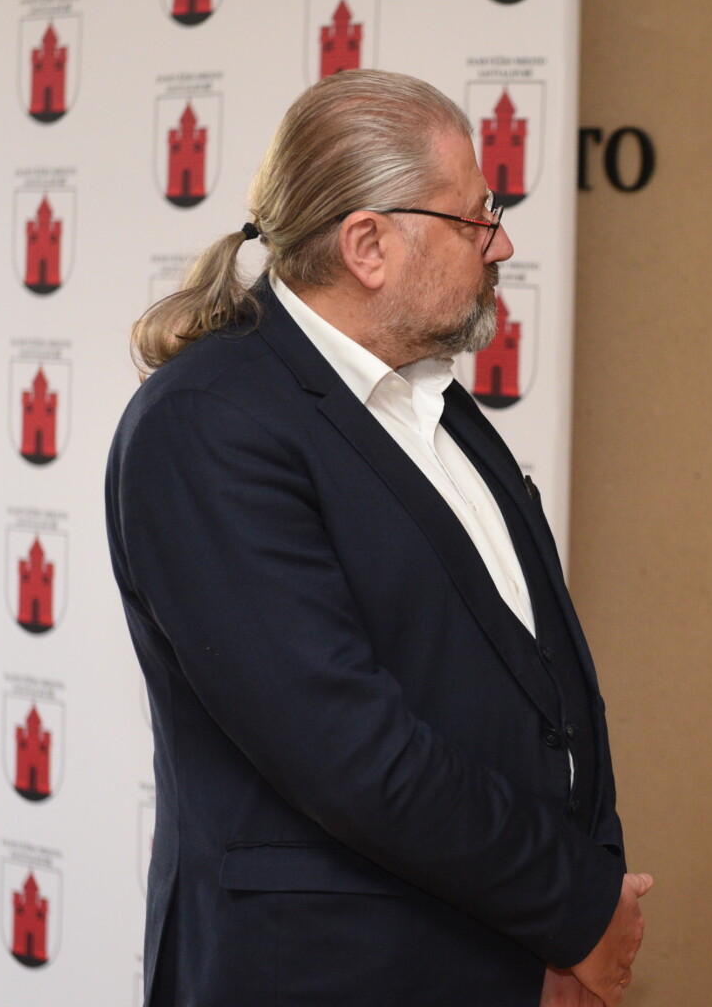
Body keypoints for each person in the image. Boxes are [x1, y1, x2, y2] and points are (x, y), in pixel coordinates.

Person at [106, 69, 650, 1007]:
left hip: (502, 957)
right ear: (368, 245)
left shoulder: (436, 402)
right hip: (325, 975)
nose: (502, 243)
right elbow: (349, 751)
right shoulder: (206, 425)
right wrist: (573, 906)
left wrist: (570, 924)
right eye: (476, 219)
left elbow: (541, 684)